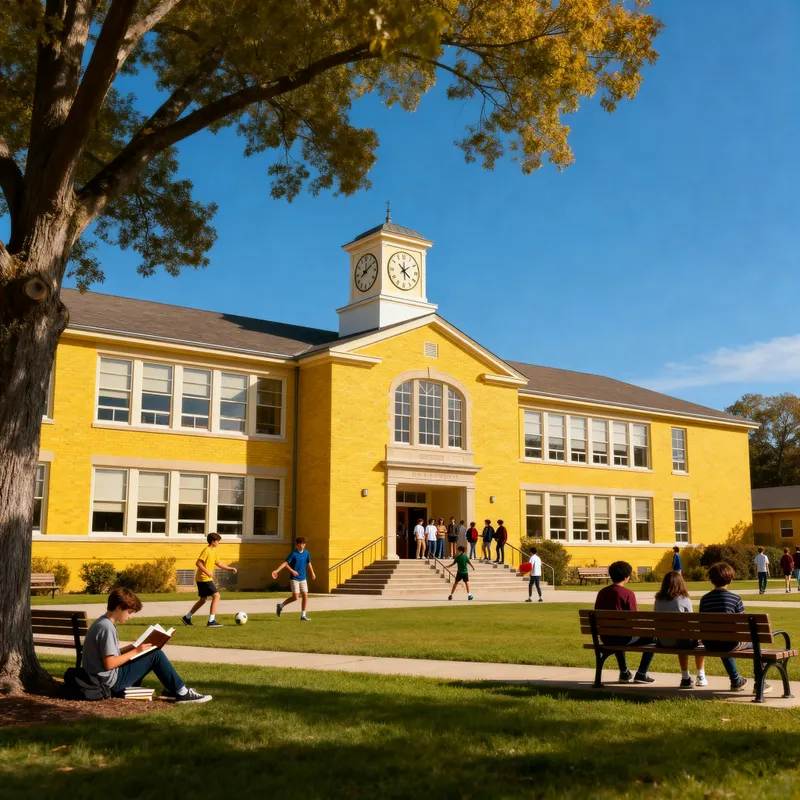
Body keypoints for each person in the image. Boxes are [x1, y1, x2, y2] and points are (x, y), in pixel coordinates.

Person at [84, 588, 210, 703]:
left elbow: (107, 656)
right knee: (156, 655)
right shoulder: (106, 628)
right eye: (129, 612)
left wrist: (133, 647)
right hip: (110, 682)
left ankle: (173, 689)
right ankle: (182, 693)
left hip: (101, 678)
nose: (130, 617)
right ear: (118, 608)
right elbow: (110, 663)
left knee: (149, 653)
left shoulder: (101, 623)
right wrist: (136, 651)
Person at [699, 561, 769, 693]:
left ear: (711, 580)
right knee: (754, 642)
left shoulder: (704, 599)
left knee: (722, 638)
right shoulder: (735, 598)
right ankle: (759, 682)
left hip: (710, 643)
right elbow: (743, 625)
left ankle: (736, 680)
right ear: (730, 579)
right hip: (729, 642)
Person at [594, 561, 655, 684]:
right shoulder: (628, 594)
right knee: (653, 637)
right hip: (624, 637)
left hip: (606, 637)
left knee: (618, 633)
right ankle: (642, 673)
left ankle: (624, 672)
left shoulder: (602, 593)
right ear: (626, 577)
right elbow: (634, 620)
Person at [653, 571, 705, 688]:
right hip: (680, 642)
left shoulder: (658, 600)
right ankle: (701, 676)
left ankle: (685, 677)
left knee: (683, 637)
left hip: (663, 641)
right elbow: (691, 623)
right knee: (699, 640)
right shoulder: (684, 599)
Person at [182, 532, 237, 628]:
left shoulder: (213, 551)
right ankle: (211, 621)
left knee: (203, 600)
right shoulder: (206, 550)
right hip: (204, 578)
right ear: (213, 542)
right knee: (216, 596)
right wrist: (207, 571)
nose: (218, 543)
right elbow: (198, 563)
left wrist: (230, 568)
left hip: (202, 578)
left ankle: (187, 617)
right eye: (217, 541)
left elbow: (219, 563)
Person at [273, 536, 316, 621]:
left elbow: (309, 563)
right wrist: (277, 571)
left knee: (305, 596)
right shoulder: (293, 554)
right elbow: (285, 564)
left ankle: (303, 615)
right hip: (294, 578)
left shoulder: (307, 553)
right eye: (301, 544)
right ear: (297, 544)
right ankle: (280, 606)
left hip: (303, 578)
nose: (302, 545)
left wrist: (313, 573)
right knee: (296, 597)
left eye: (304, 544)